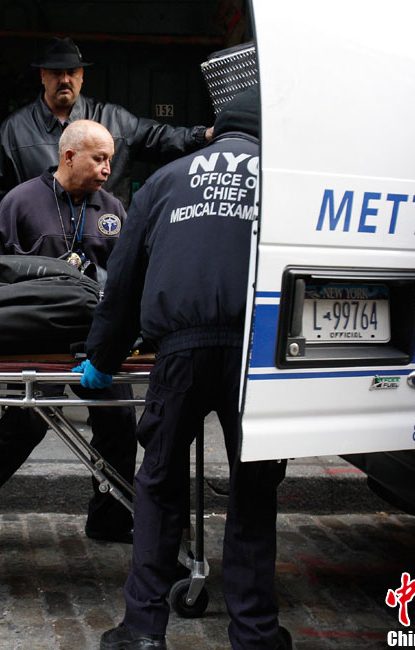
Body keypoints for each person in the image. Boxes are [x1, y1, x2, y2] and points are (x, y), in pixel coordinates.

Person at [76, 89, 293, 650]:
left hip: (180, 349)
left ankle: (143, 630)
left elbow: (124, 279)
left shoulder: (166, 180)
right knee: (254, 490)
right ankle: (256, 634)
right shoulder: (287, 180)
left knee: (160, 483)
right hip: (257, 354)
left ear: (218, 130)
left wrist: (103, 357)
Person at [0, 120, 137, 551]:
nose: (108, 168)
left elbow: (125, 281)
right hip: (32, 338)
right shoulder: (20, 202)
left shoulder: (113, 210)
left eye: (110, 159)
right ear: (69, 156)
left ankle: (110, 519)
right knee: (27, 421)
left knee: (119, 419)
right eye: (99, 159)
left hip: (92, 341)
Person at [0, 36, 213, 232]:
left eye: (71, 72)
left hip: (103, 241)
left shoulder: (113, 120)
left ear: (81, 75)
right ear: (42, 75)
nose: (64, 79)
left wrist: (204, 136)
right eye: (56, 73)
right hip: (40, 249)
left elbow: (159, 138)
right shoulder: (15, 130)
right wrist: (4, 253)